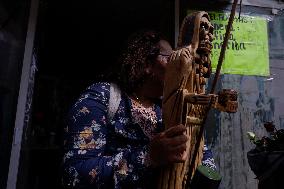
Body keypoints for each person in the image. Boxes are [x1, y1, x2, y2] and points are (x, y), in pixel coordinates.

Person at [62, 29, 216, 189]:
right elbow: (74, 174)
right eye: (171, 58)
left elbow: (203, 157)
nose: (179, 65)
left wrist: (205, 175)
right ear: (146, 63)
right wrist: (148, 157)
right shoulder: (102, 97)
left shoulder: (169, 109)